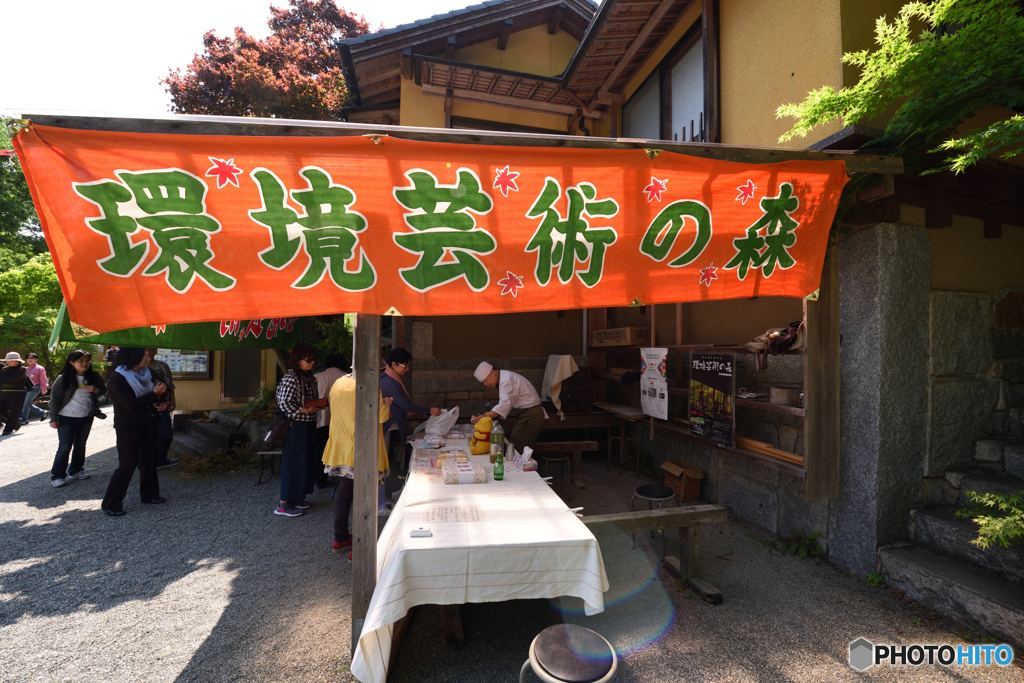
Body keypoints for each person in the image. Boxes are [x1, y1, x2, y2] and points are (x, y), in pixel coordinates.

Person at [322, 371, 391, 554]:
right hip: (363, 448)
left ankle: (340, 537)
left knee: (344, 494)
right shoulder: (369, 385)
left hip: (341, 447)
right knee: (364, 498)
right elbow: (380, 416)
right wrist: (387, 404)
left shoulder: (338, 384)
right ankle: (360, 550)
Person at [100, 347, 169, 516]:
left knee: (148, 460)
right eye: (144, 356)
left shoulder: (147, 373)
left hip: (147, 421)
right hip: (128, 426)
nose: (148, 358)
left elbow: (160, 388)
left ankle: (150, 495)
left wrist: (162, 400)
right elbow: (130, 405)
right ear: (133, 357)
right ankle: (111, 503)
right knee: (127, 464)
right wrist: (154, 395)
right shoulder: (117, 379)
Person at [273, 344, 325, 518]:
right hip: (295, 425)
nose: (311, 363)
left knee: (306, 462)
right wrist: (303, 411)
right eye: (307, 359)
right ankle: (284, 503)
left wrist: (315, 407)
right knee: (293, 463)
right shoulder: (291, 377)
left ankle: (296, 497)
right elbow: (284, 402)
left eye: (313, 359)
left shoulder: (308, 376)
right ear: (298, 361)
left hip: (308, 423)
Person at [48, 350, 106, 487]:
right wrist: (53, 418)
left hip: (86, 416)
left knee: (80, 445)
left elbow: (103, 391)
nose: (84, 363)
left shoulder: (94, 376)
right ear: (71, 363)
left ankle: (76, 470)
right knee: (64, 446)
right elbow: (54, 399)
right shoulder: (63, 378)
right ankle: (57, 475)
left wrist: (95, 390)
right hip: (66, 417)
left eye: (87, 360)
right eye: (80, 361)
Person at [379, 348, 441, 476]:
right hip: (389, 425)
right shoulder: (387, 381)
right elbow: (404, 404)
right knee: (388, 461)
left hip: (395, 423)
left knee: (393, 459)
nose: (407, 369)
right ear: (394, 364)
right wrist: (428, 410)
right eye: (405, 366)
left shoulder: (392, 377)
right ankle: (386, 490)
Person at [471, 361, 545, 454]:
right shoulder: (504, 377)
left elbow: (504, 404)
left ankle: (521, 467)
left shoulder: (506, 380)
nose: (486, 384)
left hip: (531, 415)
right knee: (515, 443)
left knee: (518, 445)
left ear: (493, 372)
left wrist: (485, 416)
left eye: (486, 380)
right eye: (483, 382)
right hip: (526, 414)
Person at [313, 353, 349, 488]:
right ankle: (341, 477)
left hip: (319, 419)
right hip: (340, 421)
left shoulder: (317, 377)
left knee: (320, 451)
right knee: (339, 449)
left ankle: (320, 480)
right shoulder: (347, 377)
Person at [146, 348, 178, 468]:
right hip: (147, 407)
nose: (149, 352)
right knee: (150, 436)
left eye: (151, 349)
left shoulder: (163, 365)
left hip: (163, 405)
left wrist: (172, 402)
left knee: (167, 435)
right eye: (146, 350)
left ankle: (161, 459)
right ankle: (151, 461)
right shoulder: (138, 368)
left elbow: (170, 385)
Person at [1, 352, 32, 436]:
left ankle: (8, 429)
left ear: (18, 361)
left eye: (13, 360)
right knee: (2, 411)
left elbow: (14, 380)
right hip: (4, 393)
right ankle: (15, 423)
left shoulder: (22, 369)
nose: (10, 362)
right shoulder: (4, 370)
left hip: (18, 394)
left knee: (14, 412)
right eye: (8, 360)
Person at [21, 352, 49, 424]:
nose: (30, 359)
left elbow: (43, 379)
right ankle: (42, 412)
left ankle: (24, 419)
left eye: (32, 358)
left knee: (26, 403)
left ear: (36, 359)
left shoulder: (39, 368)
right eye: (28, 358)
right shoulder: (25, 369)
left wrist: (44, 388)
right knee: (26, 403)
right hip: (26, 388)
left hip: (35, 387)